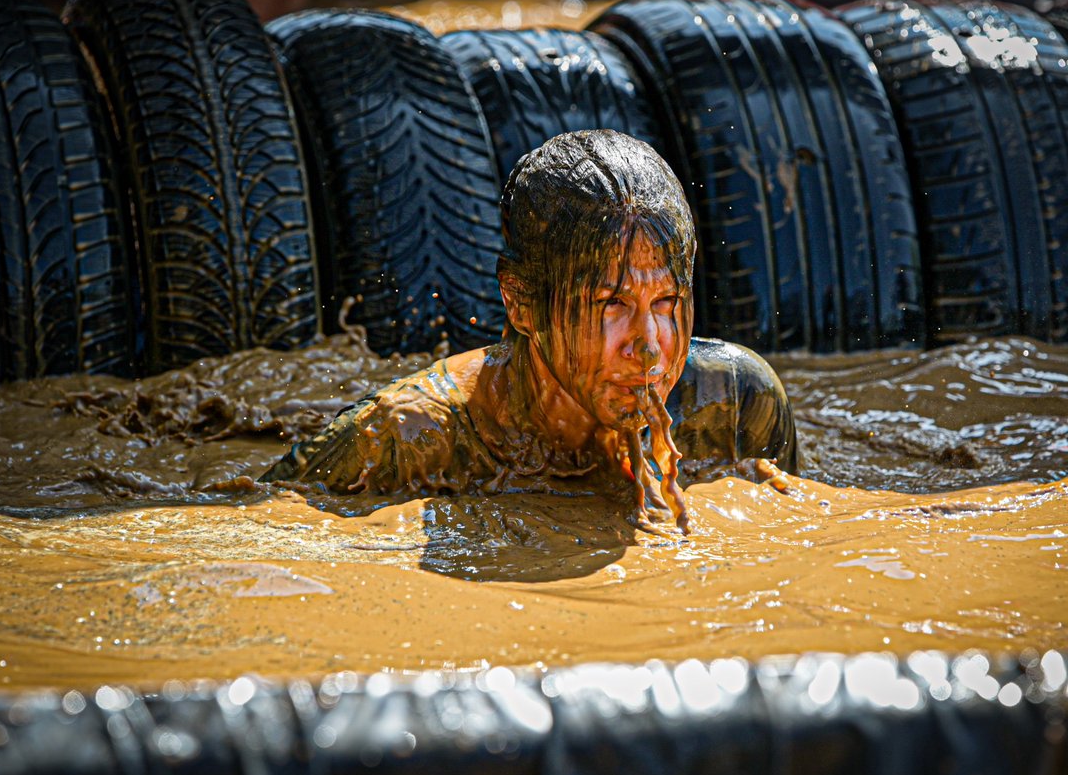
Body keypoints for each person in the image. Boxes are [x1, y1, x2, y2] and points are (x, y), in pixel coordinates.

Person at [260, 130, 797, 534]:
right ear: (520, 302)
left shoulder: (732, 407)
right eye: (611, 304)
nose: (651, 345)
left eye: (666, 301)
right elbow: (261, 535)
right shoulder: (405, 441)